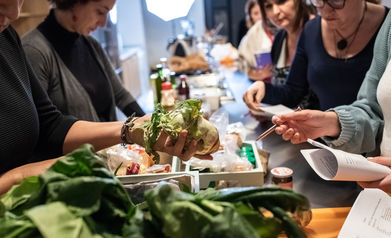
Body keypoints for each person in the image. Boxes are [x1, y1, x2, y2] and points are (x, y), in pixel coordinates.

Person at [0, 0, 210, 195]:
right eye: (100, 11)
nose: (15, 13)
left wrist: (137, 127)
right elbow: (41, 148)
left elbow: (51, 125)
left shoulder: (9, 39)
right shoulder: (35, 50)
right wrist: (20, 175)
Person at [271, 1, 391, 220]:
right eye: (317, 1)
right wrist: (332, 123)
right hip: (382, 199)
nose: (325, 10)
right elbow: (373, 110)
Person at [243, 0, 389, 111]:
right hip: (326, 144)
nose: (325, 10)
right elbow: (293, 93)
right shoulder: (311, 29)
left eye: (335, 0)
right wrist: (263, 88)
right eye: (317, 1)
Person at [22, 0, 145, 122]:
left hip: (109, 141)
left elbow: (120, 95)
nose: (104, 23)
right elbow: (42, 125)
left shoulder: (91, 44)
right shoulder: (34, 51)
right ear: (75, 3)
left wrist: (150, 124)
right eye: (100, 12)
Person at [238, 0, 275, 81]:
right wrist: (261, 74)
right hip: (263, 84)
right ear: (250, 16)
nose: (260, 16)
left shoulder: (277, 31)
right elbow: (244, 67)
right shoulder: (250, 36)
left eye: (262, 11)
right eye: (255, 13)